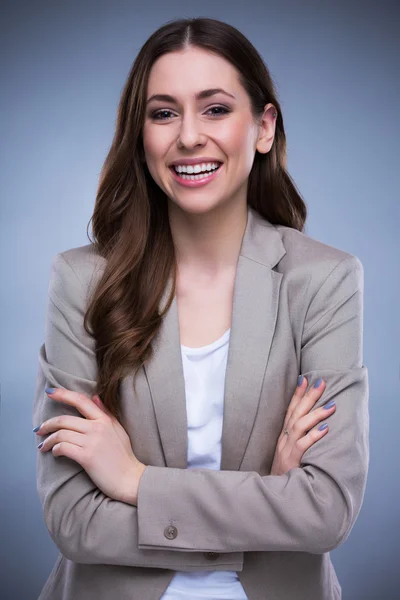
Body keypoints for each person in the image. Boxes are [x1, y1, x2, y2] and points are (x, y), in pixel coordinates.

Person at [32, 16, 369, 600]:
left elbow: (326, 509)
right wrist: (267, 501)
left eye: (215, 109)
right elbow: (73, 520)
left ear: (263, 127)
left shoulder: (324, 279)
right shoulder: (82, 280)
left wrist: (134, 481)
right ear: (141, 135)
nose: (188, 135)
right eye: (163, 113)